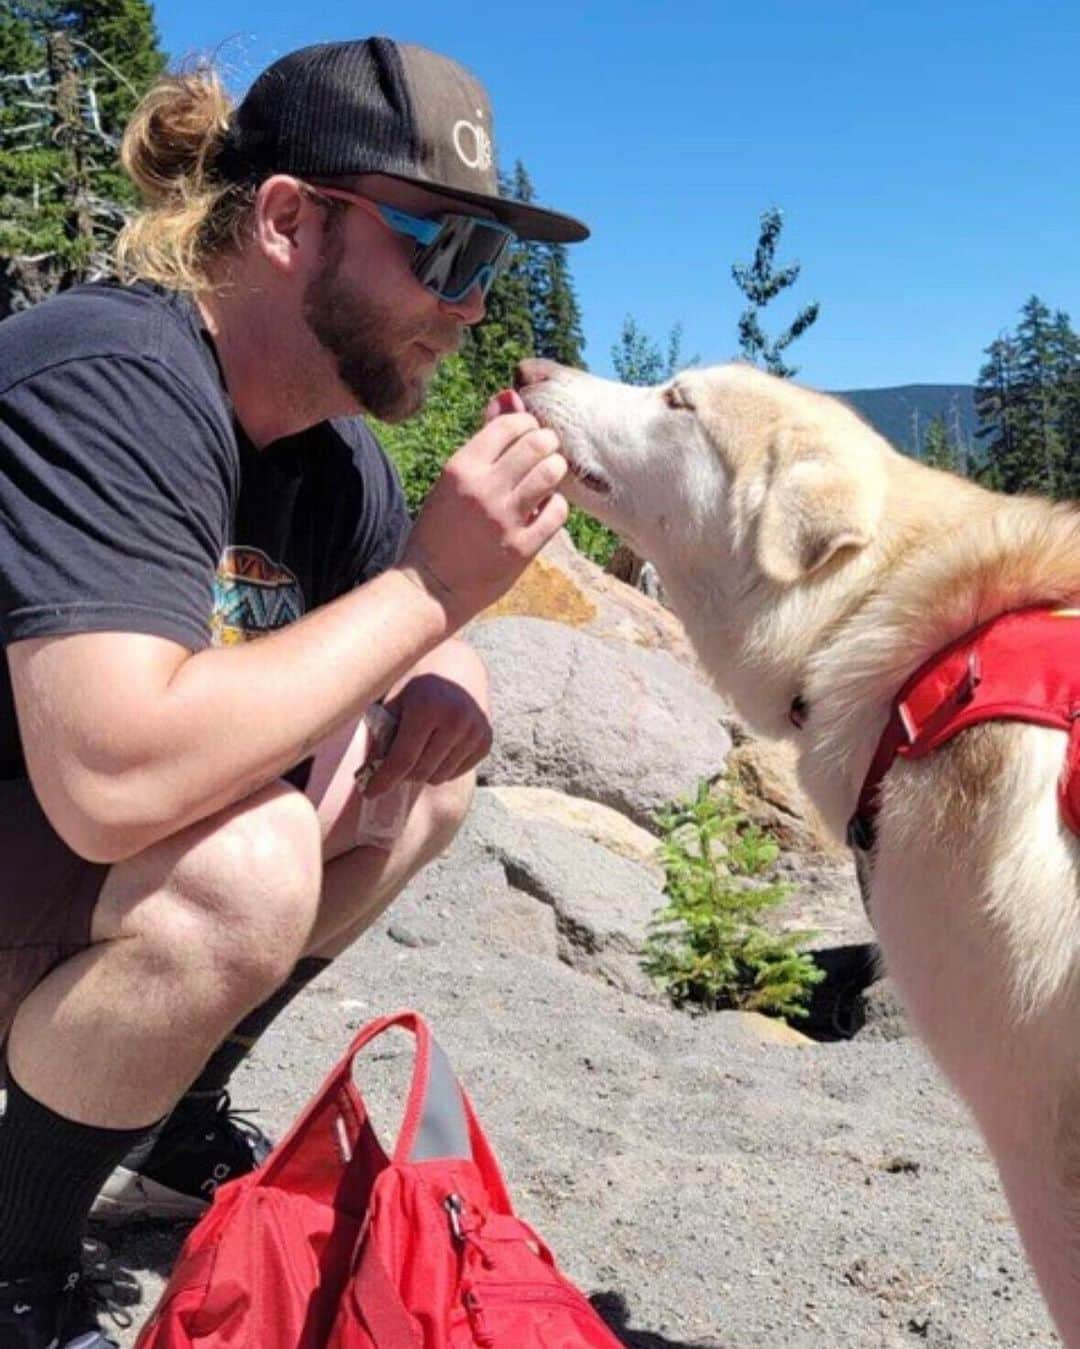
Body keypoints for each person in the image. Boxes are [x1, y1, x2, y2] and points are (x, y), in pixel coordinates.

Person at [0, 35, 587, 1348]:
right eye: (446, 251)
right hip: (56, 813)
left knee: (421, 787)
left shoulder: (328, 456)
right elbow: (113, 784)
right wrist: (434, 590)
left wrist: (444, 663)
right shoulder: (113, 379)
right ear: (283, 219)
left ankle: (173, 1121)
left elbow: (417, 633)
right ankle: (14, 1265)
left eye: (494, 265)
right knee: (246, 865)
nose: (473, 302)